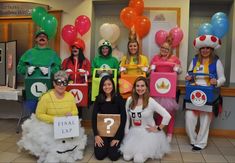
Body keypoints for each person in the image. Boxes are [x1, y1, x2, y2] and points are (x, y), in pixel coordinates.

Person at [185, 34, 226, 151]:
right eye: (203, 48)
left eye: (207, 48)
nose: (205, 50)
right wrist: (188, 77)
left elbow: (223, 78)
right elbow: (189, 74)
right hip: (194, 93)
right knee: (189, 118)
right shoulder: (194, 60)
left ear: (211, 49)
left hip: (209, 95)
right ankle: (193, 140)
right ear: (200, 49)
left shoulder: (217, 62)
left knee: (205, 120)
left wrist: (216, 81)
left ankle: (201, 143)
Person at [120, 76, 171, 163]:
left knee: (138, 160)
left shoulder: (150, 101)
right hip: (134, 133)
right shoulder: (129, 100)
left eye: (142, 86)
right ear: (134, 87)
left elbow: (167, 116)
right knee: (126, 157)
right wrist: (126, 134)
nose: (140, 88)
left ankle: (146, 152)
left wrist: (158, 128)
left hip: (148, 134)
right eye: (137, 86)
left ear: (146, 87)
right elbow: (128, 119)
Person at [17, 29, 61, 113]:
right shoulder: (29, 53)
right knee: (32, 114)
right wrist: (27, 70)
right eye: (39, 36)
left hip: (48, 88)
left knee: (47, 112)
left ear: (47, 40)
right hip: (31, 88)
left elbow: (58, 68)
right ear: (36, 39)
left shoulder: (52, 53)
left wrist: (49, 70)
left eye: (44, 37)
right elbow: (19, 68)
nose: (42, 37)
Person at [150, 36, 182, 143]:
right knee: (158, 112)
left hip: (169, 91)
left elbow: (180, 70)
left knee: (170, 113)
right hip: (157, 91)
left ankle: (169, 133)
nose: (164, 50)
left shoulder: (174, 59)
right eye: (162, 48)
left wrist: (178, 69)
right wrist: (151, 69)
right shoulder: (155, 58)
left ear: (170, 49)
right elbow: (150, 70)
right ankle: (160, 132)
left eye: (166, 49)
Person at [92, 75, 126, 161]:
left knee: (114, 156)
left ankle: (113, 145)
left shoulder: (119, 98)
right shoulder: (98, 99)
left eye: (109, 84)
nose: (107, 87)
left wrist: (118, 137)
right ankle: (106, 146)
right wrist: (96, 135)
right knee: (100, 155)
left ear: (113, 85)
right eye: (104, 85)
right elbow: (94, 118)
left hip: (116, 132)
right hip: (102, 132)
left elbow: (123, 119)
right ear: (101, 86)